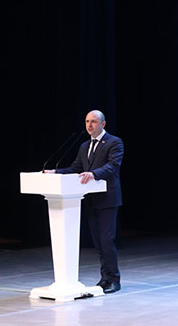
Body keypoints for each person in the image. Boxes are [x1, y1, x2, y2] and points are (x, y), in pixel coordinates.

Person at [49, 110, 125, 293]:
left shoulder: (114, 142)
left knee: (106, 240)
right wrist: (56, 172)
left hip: (107, 199)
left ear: (103, 124)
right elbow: (76, 167)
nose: (89, 125)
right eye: (87, 121)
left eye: (93, 122)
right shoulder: (84, 146)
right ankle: (104, 278)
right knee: (98, 242)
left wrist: (93, 174)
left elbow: (112, 166)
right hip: (90, 199)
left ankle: (114, 279)